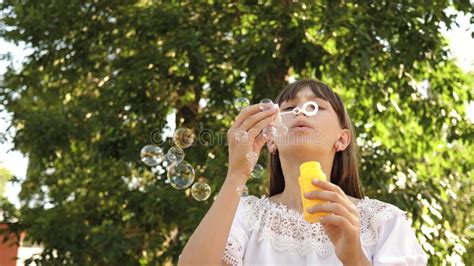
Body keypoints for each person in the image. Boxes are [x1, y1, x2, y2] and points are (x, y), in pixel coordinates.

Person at [178, 79, 428, 265]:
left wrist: (354, 257)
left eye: (315, 107)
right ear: (272, 140)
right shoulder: (245, 215)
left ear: (342, 139)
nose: (299, 111)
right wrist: (237, 173)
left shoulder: (383, 222)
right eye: (288, 108)